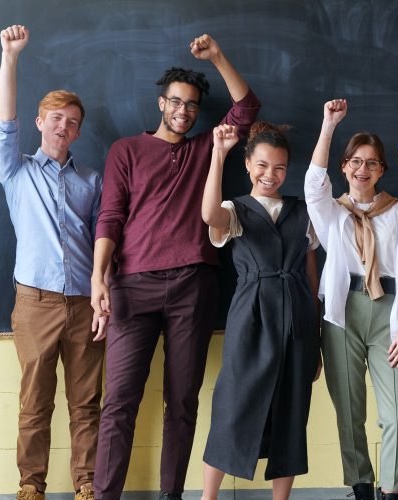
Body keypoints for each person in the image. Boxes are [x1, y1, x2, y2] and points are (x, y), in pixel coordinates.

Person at [91, 34, 260, 500]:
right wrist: (98, 278)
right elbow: (110, 216)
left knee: (181, 402)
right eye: (176, 102)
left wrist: (218, 56)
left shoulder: (208, 146)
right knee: (119, 402)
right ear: (161, 103)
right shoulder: (126, 151)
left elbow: (247, 109)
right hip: (131, 285)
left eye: (191, 105)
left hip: (193, 284)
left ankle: (172, 495)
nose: (184, 111)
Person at [0, 25, 104, 500]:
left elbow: (105, 241)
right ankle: (31, 486)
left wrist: (104, 298)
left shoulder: (93, 180)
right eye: (55, 118)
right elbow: (3, 119)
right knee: (34, 403)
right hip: (35, 301)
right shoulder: (15, 169)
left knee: (86, 404)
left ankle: (87, 484)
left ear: (78, 130)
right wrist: (11, 57)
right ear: (40, 123)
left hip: (83, 303)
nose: (64, 126)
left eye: (72, 121)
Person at [305, 99, 398, 500]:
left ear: (382, 170)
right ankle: (361, 489)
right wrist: (328, 124)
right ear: (344, 167)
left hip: (390, 313)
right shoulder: (331, 213)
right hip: (342, 313)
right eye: (355, 161)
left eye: (372, 163)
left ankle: (391, 492)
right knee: (350, 413)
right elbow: (312, 183)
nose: (362, 169)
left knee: (397, 416)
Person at [199, 122, 320, 499]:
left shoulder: (302, 212)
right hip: (251, 316)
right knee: (233, 404)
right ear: (248, 164)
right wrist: (218, 154)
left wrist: (314, 336)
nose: (271, 175)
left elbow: (312, 279)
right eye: (263, 165)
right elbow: (208, 216)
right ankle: (208, 497)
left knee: (292, 409)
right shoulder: (235, 210)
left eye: (280, 168)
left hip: (297, 316)